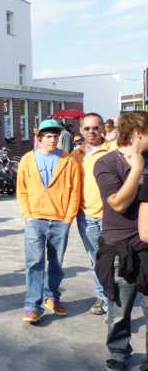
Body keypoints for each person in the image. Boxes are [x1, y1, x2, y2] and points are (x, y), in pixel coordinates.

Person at [96, 112, 148, 371]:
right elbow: (117, 203)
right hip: (120, 248)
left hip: (147, 245)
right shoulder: (106, 163)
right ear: (138, 133)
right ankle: (118, 352)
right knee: (119, 309)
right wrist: (137, 169)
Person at [17, 119, 81, 323]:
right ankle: (32, 305)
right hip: (35, 219)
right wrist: (27, 215)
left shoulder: (68, 160)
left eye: (55, 136)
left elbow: (75, 191)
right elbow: (22, 190)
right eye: (48, 136)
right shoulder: (28, 160)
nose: (52, 140)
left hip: (60, 220)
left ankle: (52, 296)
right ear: (40, 138)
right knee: (34, 262)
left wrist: (68, 218)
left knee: (56, 263)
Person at [71, 113, 110, 315]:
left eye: (95, 127)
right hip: (86, 216)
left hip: (112, 217)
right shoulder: (76, 155)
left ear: (102, 128)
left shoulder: (114, 150)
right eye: (87, 128)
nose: (92, 131)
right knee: (95, 259)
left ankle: (115, 300)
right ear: (80, 130)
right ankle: (102, 296)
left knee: (115, 261)